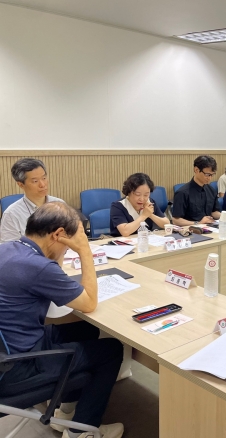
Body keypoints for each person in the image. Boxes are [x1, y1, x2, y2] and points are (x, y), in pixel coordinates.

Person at [0, 202, 124, 438]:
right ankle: (81, 432)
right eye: (69, 244)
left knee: (86, 330)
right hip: (15, 368)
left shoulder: (8, 249)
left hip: (11, 346)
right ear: (58, 235)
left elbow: (53, 272)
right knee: (111, 349)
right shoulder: (38, 266)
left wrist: (58, 252)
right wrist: (84, 250)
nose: (68, 250)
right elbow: (89, 303)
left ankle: (66, 411)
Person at [0, 158, 65, 243]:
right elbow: (9, 248)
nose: (42, 184)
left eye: (44, 178)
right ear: (21, 185)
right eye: (35, 181)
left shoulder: (60, 204)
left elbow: (71, 235)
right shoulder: (12, 214)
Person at [109, 173, 169, 237]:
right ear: (128, 192)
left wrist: (150, 215)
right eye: (137, 194)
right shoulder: (118, 206)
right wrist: (144, 215)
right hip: (121, 241)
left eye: (146, 195)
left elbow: (167, 224)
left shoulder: (150, 202)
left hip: (145, 239)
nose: (142, 199)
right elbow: (125, 232)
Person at [172, 155, 223, 226]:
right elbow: (176, 220)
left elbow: (214, 212)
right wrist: (198, 223)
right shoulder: (182, 193)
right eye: (207, 174)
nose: (210, 178)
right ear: (196, 170)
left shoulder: (211, 190)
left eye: (212, 175)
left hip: (209, 227)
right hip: (191, 229)